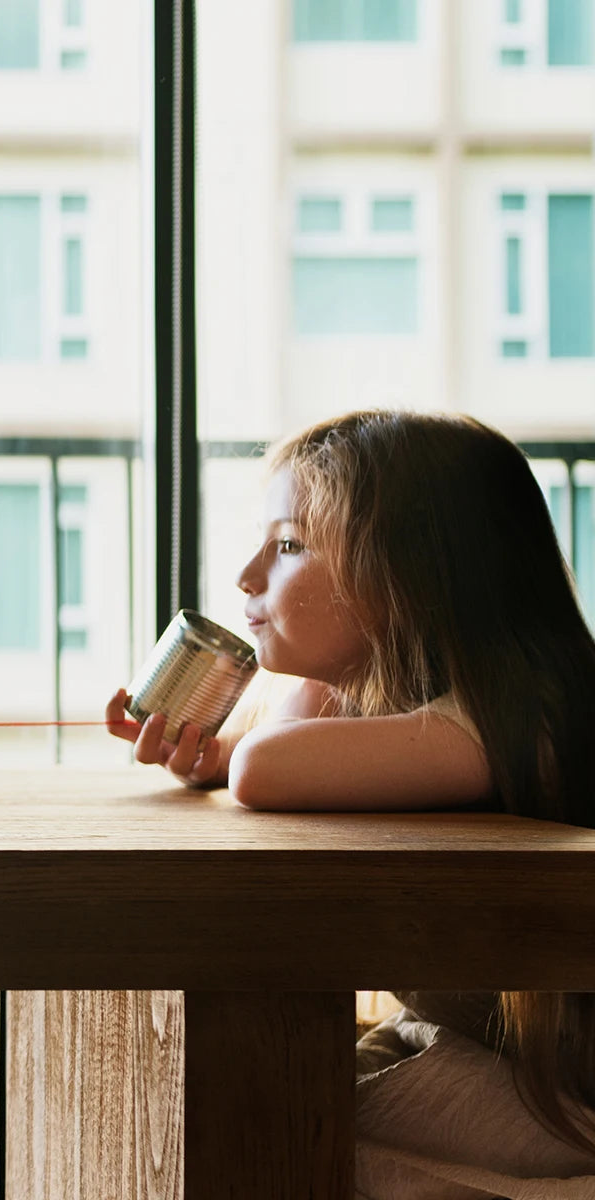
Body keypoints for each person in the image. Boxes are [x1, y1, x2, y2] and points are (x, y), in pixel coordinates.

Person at [106, 409, 595, 1173]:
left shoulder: (507, 721)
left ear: (413, 574)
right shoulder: (440, 711)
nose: (246, 575)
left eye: (290, 545)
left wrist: (257, 737)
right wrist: (210, 755)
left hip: (565, 1096)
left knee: (259, 1129)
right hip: (496, 1056)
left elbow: (266, 770)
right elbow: (264, 761)